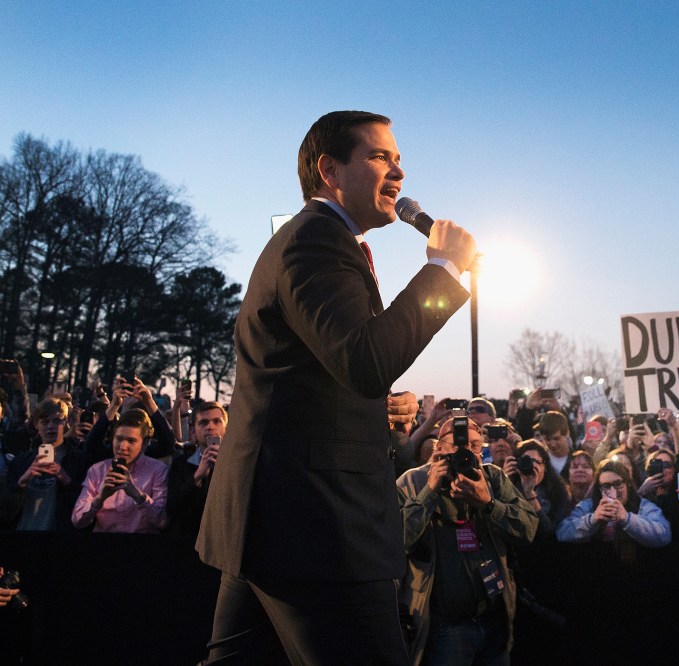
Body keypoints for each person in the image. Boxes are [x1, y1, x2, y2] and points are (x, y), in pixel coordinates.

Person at [197, 110, 477, 664]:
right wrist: (443, 271)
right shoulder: (316, 243)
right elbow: (365, 361)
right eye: (380, 157)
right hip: (316, 530)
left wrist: (376, 410)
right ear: (329, 170)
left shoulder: (325, 243)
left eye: (399, 160)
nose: (398, 172)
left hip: (278, 522)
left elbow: (330, 374)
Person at [397, 415, 538, 665]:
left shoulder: (493, 477)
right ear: (439, 448)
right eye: (458, 445)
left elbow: (528, 529)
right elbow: (397, 542)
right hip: (445, 626)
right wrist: (429, 492)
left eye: (474, 445)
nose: (467, 452)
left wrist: (489, 504)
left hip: (494, 620)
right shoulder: (412, 481)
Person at [71, 409, 168, 533]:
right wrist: (100, 498)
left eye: (131, 441)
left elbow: (162, 521)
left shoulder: (158, 470)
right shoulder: (97, 470)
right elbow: (77, 521)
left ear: (145, 444)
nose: (122, 447)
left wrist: (136, 494)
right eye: (119, 439)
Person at [556, 459, 671, 559]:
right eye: (606, 486)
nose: (612, 491)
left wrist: (627, 519)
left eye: (617, 484)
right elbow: (562, 533)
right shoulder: (589, 506)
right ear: (599, 488)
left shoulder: (643, 506)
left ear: (628, 484)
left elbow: (664, 535)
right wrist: (592, 519)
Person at [6, 398, 89, 531]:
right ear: (36, 424)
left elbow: (85, 508)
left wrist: (66, 480)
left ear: (66, 422)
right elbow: (5, 511)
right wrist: (21, 483)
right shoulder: (21, 462)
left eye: (57, 421)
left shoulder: (79, 461)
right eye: (45, 421)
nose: (51, 426)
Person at [166, 401, 227, 536]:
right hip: (189, 538)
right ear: (193, 430)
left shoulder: (237, 463)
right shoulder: (180, 464)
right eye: (203, 422)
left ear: (226, 428)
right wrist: (197, 476)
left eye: (217, 421)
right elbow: (172, 508)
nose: (210, 427)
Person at [503, 439, 570, 537]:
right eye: (526, 461)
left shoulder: (557, 490)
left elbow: (548, 531)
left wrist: (530, 494)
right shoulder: (510, 486)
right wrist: (504, 482)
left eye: (536, 461)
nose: (531, 466)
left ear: (545, 466)